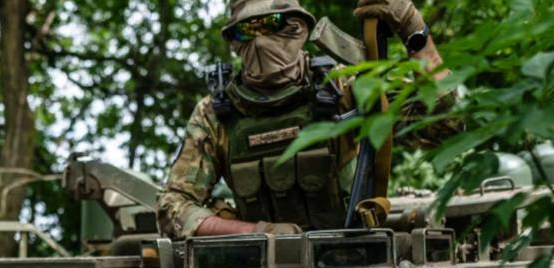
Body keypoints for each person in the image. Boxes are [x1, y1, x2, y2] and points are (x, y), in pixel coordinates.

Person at [157, 0, 456, 239]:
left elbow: (446, 125)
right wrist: (258, 233)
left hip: (355, 258)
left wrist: (413, 30)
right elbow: (173, 207)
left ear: (297, 27)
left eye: (270, 24)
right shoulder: (216, 114)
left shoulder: (345, 89)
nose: (259, 39)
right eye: (245, 31)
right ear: (233, 42)